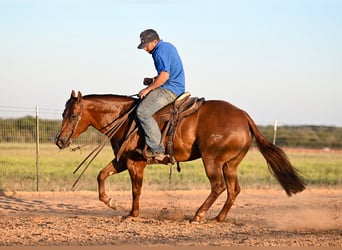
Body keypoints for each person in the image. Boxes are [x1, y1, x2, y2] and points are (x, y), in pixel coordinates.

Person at [136, 29, 185, 161]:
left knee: (142, 111)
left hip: (170, 89)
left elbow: (165, 75)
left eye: (146, 45)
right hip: (174, 86)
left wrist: (147, 89)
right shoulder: (166, 47)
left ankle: (157, 149)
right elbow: (169, 73)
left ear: (155, 41)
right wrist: (153, 80)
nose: (145, 49)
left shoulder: (159, 52)